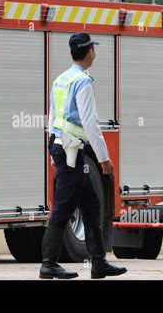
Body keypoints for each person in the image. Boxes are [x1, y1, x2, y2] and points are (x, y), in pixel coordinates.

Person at [40, 33, 127, 280]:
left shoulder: (61, 79)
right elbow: (90, 124)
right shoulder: (83, 82)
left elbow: (52, 116)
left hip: (62, 146)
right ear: (89, 52)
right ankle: (48, 264)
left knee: (91, 204)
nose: (95, 53)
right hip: (71, 149)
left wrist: (51, 145)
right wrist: (104, 158)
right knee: (64, 206)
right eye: (93, 50)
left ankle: (98, 262)